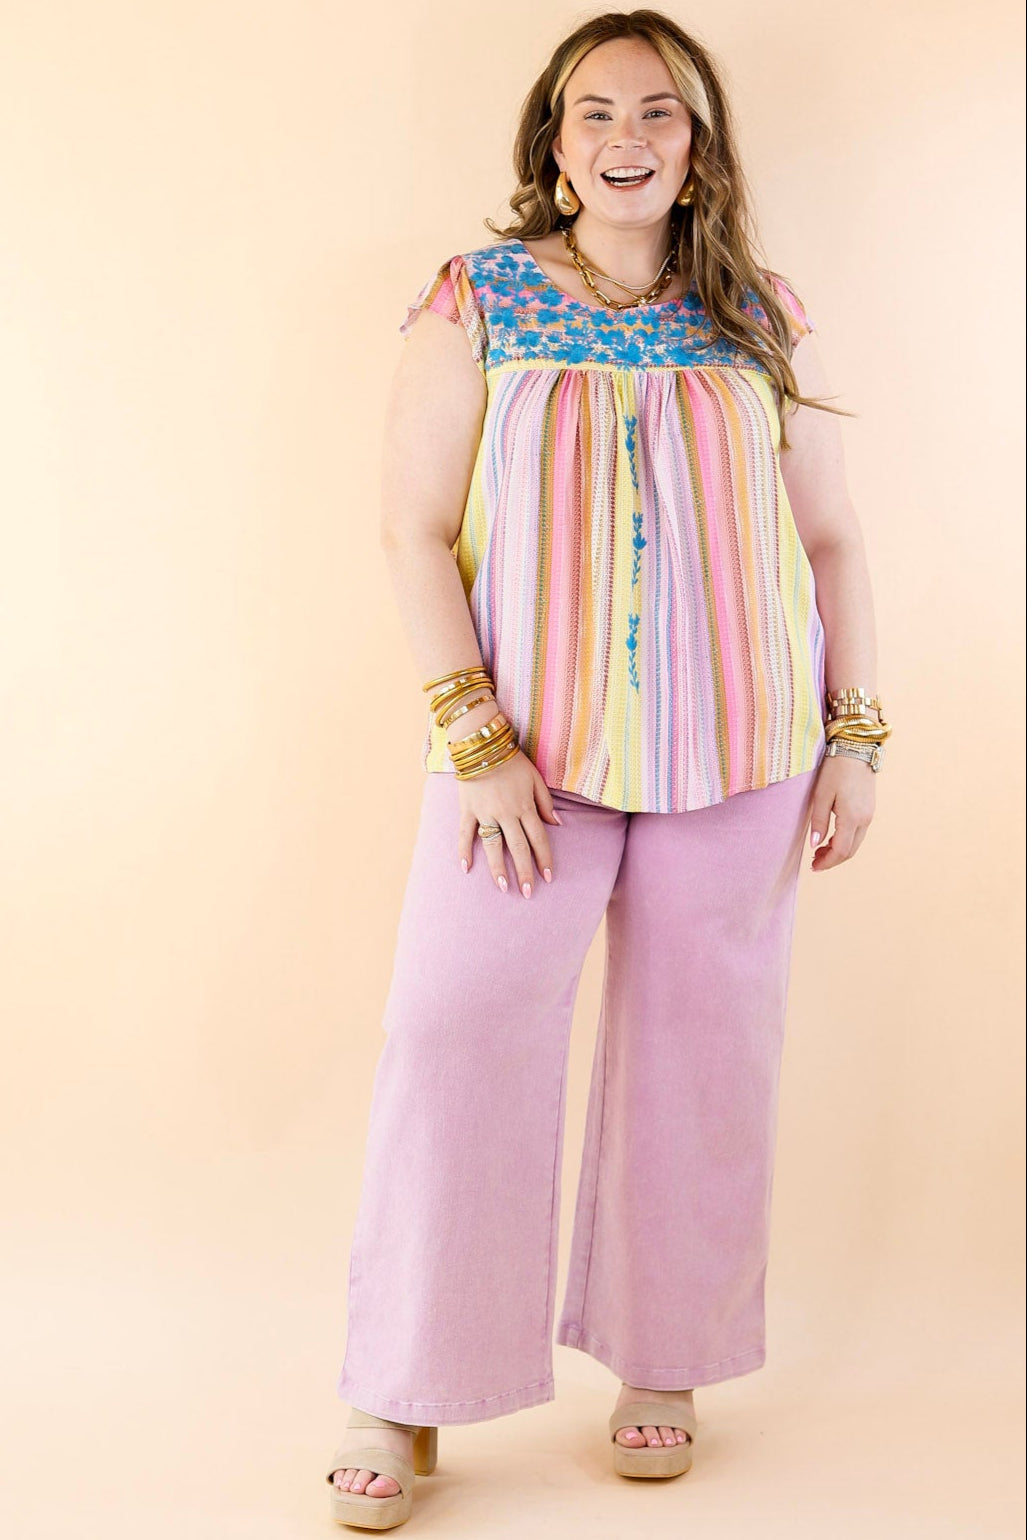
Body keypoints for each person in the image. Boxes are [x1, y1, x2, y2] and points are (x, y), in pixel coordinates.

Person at [325, 9, 891, 1529]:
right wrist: (475, 739)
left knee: (705, 1052)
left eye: (659, 112)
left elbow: (832, 537)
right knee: (453, 1034)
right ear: (556, 144)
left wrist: (854, 735)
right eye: (595, 112)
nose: (626, 136)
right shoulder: (480, 299)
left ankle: (665, 1357)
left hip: (745, 747)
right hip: (525, 763)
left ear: (698, 150)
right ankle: (402, 1383)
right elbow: (407, 527)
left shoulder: (760, 314)